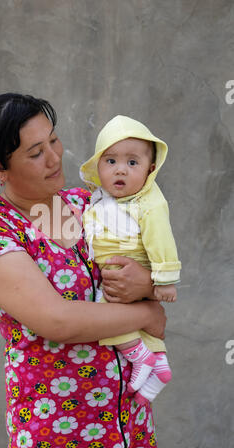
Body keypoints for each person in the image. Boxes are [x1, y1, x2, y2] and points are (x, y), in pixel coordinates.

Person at [0, 94, 166, 448]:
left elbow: (145, 266)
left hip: (129, 423)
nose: (55, 158)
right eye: (36, 152)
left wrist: (148, 283)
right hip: (57, 428)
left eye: (53, 139)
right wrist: (149, 312)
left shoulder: (91, 203)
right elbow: (58, 321)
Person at [79, 115, 181, 405]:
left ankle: (140, 356)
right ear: (98, 167)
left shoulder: (149, 203)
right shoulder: (99, 198)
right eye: (110, 161)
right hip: (117, 274)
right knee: (126, 316)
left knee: (106, 312)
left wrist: (164, 279)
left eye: (132, 163)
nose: (120, 170)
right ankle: (159, 365)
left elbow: (161, 240)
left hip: (126, 270)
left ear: (150, 170)